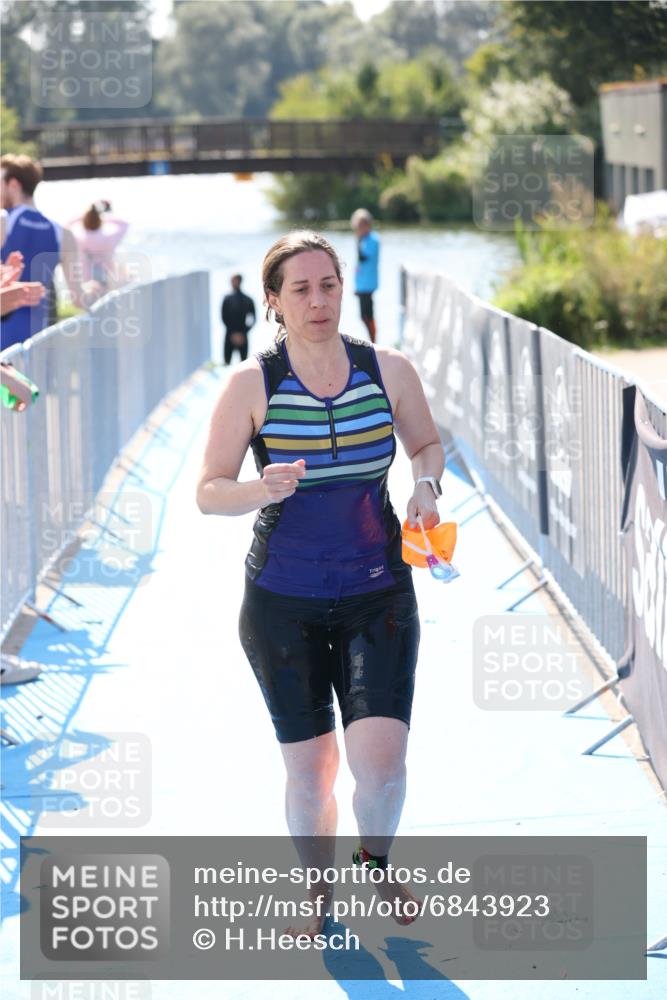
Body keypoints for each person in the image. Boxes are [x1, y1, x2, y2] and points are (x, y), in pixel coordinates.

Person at [197, 230, 445, 939]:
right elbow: (207, 491)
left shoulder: (386, 369)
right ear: (272, 301)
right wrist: (256, 488)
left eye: (328, 285)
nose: (318, 301)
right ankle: (317, 886)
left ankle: (374, 859)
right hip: (282, 602)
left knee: (383, 766)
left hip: (378, 591)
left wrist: (425, 483)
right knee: (313, 772)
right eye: (300, 290)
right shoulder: (251, 385)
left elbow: (425, 443)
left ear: (343, 287)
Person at [0, 154, 88, 350]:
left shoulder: (3, 221)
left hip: (4, 346)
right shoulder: (63, 233)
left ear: (13, 185)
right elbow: (78, 297)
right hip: (39, 343)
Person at [66, 200, 129, 292]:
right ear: (100, 220)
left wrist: (84, 216)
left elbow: (67, 225)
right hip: (107, 274)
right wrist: (103, 215)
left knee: (89, 302)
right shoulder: (109, 236)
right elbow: (124, 224)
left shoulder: (78, 237)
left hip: (85, 276)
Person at [351, 207, 380, 344]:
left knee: (367, 315)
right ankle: (372, 340)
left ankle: (374, 341)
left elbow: (363, 258)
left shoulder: (373, 239)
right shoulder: (364, 239)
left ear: (368, 224)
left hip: (368, 284)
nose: (358, 229)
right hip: (362, 284)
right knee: (363, 316)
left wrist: (357, 241)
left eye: (361, 226)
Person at [220, 273, 256, 365]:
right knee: (226, 363)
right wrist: (234, 333)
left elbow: (253, 319)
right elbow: (223, 317)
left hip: (242, 335)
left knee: (244, 364)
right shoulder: (227, 299)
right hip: (230, 335)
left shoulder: (248, 299)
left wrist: (243, 333)